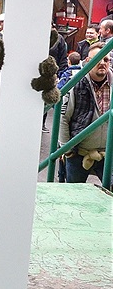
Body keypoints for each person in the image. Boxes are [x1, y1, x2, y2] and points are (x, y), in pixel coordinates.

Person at [59, 43, 111, 188]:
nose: (102, 63)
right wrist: (67, 149)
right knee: (72, 197)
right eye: (98, 59)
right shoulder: (75, 83)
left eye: (106, 60)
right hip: (78, 153)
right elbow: (63, 118)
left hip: (109, 153)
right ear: (87, 62)